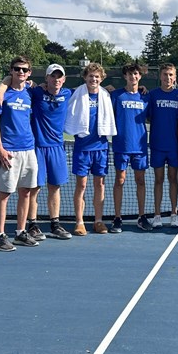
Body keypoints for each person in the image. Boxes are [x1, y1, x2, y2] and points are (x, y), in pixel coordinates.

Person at [0, 64, 73, 240]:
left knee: (55, 187)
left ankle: (55, 224)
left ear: (64, 79)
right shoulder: (34, 92)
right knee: (32, 188)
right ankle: (32, 225)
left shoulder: (68, 93)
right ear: (46, 78)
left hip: (57, 147)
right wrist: (1, 87)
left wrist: (109, 88)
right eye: (53, 76)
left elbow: (91, 87)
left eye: (60, 76)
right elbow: (13, 80)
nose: (56, 79)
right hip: (36, 147)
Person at [0, 56, 39, 251]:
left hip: (29, 149)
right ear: (11, 71)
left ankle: (20, 232)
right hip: (8, 150)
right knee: (5, 194)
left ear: (29, 73)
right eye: (17, 69)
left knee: (26, 192)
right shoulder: (1, 95)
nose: (20, 72)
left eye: (24, 69)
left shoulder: (30, 92)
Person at [64, 62, 117, 236]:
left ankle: (98, 221)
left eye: (97, 77)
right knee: (82, 184)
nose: (93, 79)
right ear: (85, 77)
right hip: (82, 147)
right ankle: (79, 222)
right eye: (90, 76)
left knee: (99, 184)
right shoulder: (76, 94)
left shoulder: (106, 95)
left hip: (101, 147)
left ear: (101, 79)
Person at [111, 63, 152, 232]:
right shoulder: (116, 95)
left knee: (140, 181)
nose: (133, 77)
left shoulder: (145, 97)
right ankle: (117, 217)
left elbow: (151, 117)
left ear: (140, 76)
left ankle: (141, 217)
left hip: (140, 147)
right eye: (129, 74)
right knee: (120, 180)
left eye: (135, 74)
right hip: (121, 145)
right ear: (125, 76)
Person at [148, 63, 178, 228]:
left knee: (173, 180)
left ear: (175, 77)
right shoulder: (152, 95)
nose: (168, 78)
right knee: (158, 180)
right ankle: (157, 215)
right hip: (157, 145)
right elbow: (148, 117)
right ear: (160, 76)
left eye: (171, 75)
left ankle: (173, 214)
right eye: (165, 75)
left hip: (174, 147)